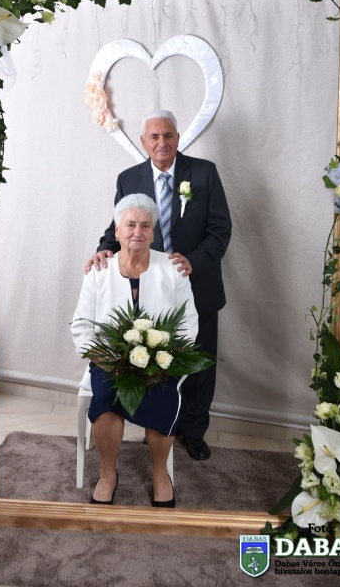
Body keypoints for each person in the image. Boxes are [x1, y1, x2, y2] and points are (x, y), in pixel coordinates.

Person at [85, 110, 231, 461]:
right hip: (147, 293)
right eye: (154, 137)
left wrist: (193, 262)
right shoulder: (129, 178)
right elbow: (118, 227)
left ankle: (193, 431)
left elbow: (220, 230)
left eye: (168, 135)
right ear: (144, 141)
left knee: (199, 362)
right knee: (156, 360)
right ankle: (160, 424)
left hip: (198, 285)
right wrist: (103, 250)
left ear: (177, 138)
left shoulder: (204, 173)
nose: (161, 142)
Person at [72, 193, 199, 506]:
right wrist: (103, 358)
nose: (137, 232)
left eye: (145, 225)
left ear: (153, 232)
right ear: (116, 231)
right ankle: (107, 475)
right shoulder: (99, 270)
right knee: (105, 399)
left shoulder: (173, 269)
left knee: (163, 396)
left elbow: (188, 324)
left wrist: (166, 359)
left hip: (160, 361)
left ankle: (159, 474)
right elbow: (81, 326)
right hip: (109, 361)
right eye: (130, 225)